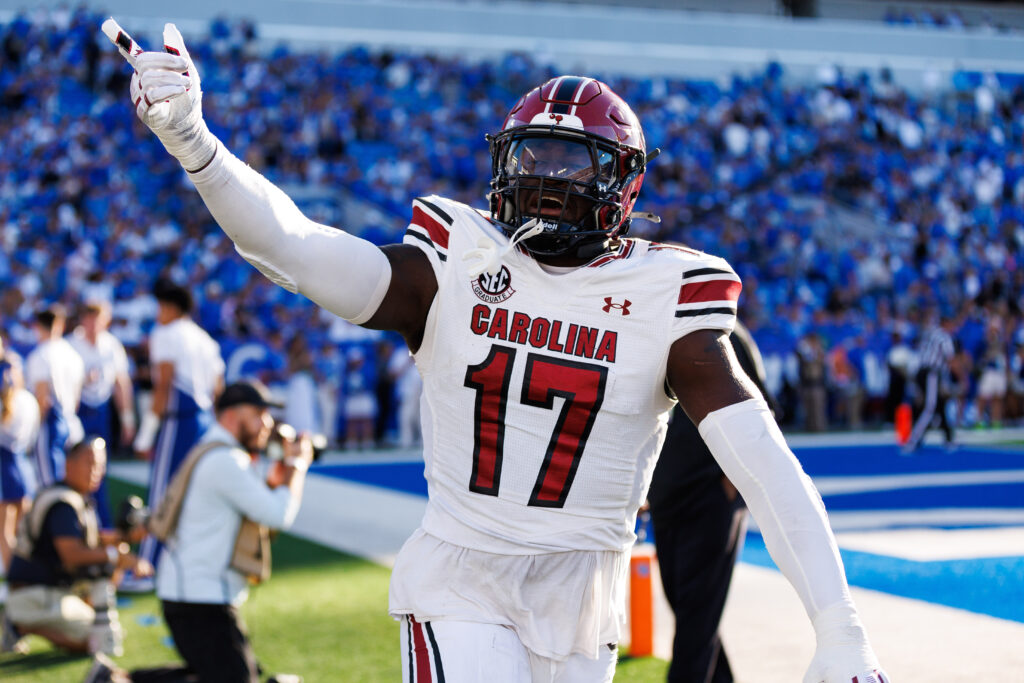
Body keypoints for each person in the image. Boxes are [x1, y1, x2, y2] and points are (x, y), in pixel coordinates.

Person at [107, 24, 889, 682]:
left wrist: (839, 623)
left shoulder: (665, 295)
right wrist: (195, 142)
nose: (545, 184)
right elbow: (297, 249)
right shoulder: (454, 259)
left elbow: (765, 463)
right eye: (532, 159)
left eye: (571, 164)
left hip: (584, 589)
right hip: (463, 573)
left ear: (624, 186)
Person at [84, 380, 313, 683]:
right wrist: (297, 465)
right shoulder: (225, 460)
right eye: (259, 412)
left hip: (194, 595)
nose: (267, 423)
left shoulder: (218, 453)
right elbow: (277, 514)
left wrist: (274, 482)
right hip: (199, 599)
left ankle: (115, 678)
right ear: (232, 414)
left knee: (219, 674)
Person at [647, 321, 771, 683]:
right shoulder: (655, 324)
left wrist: (733, 481)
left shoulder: (726, 332)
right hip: (667, 494)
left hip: (709, 494)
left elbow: (760, 410)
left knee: (696, 618)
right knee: (687, 608)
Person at [3, 437, 151, 655]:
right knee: (99, 639)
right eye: (89, 463)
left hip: (49, 591)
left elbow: (91, 540)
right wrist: (116, 556)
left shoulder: (73, 496)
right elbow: (71, 554)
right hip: (34, 594)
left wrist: (124, 539)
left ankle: (30, 621)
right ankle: (18, 624)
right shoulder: (63, 502)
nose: (95, 471)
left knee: (106, 631)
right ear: (68, 464)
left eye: (100, 465)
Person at [133, 279, 224, 578]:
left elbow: (163, 386)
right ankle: (187, 562)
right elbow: (217, 387)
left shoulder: (167, 333)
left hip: (179, 420)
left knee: (162, 492)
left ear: (171, 307)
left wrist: (146, 435)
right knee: (195, 493)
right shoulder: (205, 339)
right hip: (204, 420)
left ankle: (149, 565)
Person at [69, 300, 136, 528]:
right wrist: (80, 382)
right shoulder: (72, 344)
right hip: (78, 410)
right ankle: (74, 518)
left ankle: (99, 521)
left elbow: (121, 383)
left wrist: (127, 418)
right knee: (75, 463)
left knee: (99, 467)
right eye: (89, 318)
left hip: (101, 411)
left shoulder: (111, 345)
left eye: (97, 319)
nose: (93, 324)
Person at [25, 305, 85, 487]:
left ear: (37, 326)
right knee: (71, 481)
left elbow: (42, 399)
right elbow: (76, 397)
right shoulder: (72, 354)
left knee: (49, 485)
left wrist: (31, 432)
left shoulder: (41, 355)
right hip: (72, 422)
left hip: (49, 425)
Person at [0, 353, 40, 576]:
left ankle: (14, 576)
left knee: (5, 531)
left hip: (4, 470)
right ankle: (26, 574)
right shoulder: (28, 399)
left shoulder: (9, 402)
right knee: (23, 530)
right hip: (24, 468)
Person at [903, 313, 957, 453]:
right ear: (946, 323)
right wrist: (961, 378)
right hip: (931, 373)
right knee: (930, 407)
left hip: (924, 371)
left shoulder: (931, 334)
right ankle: (913, 440)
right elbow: (950, 359)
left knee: (939, 405)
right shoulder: (944, 337)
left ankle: (949, 439)